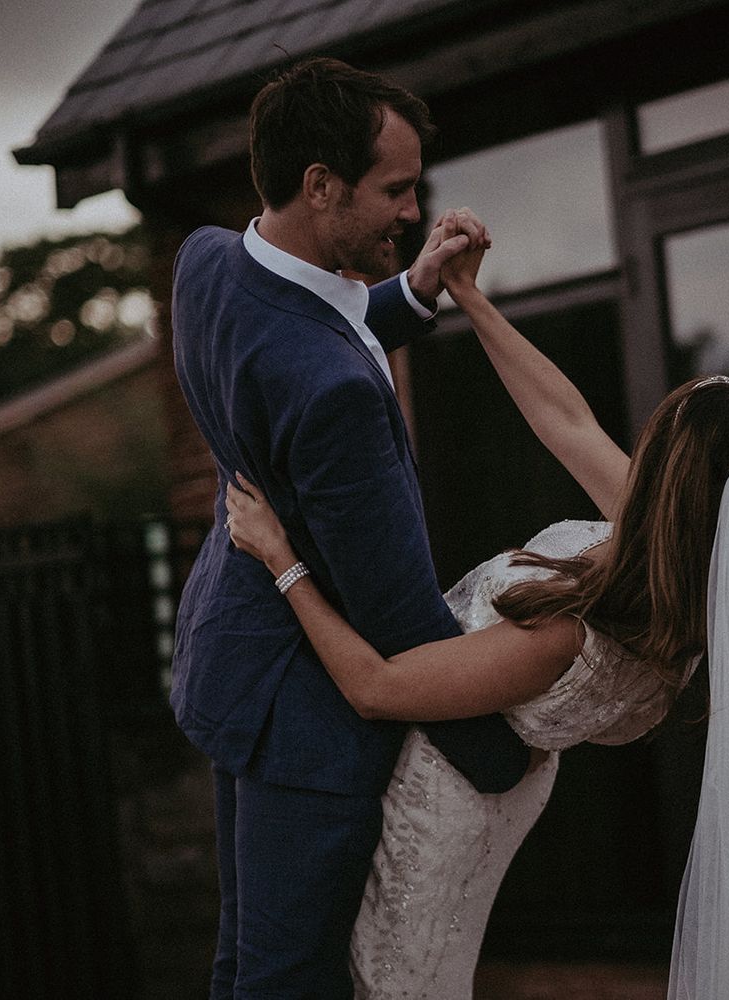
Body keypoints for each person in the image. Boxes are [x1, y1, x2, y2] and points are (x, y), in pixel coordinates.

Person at [225, 241, 729, 999]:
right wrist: (470, 297)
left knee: (395, 979)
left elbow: (375, 688)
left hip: (445, 798)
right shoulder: (690, 567)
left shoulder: (574, 633)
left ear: (669, 476)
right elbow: (565, 419)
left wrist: (281, 560)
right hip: (500, 783)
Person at [168, 58, 530, 999]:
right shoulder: (333, 396)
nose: (414, 210)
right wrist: (506, 756)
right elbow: (400, 618)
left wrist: (415, 288)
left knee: (243, 963)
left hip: (232, 657)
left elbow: (305, 331)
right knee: (290, 980)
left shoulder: (209, 262)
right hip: (306, 724)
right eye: (396, 190)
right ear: (321, 185)